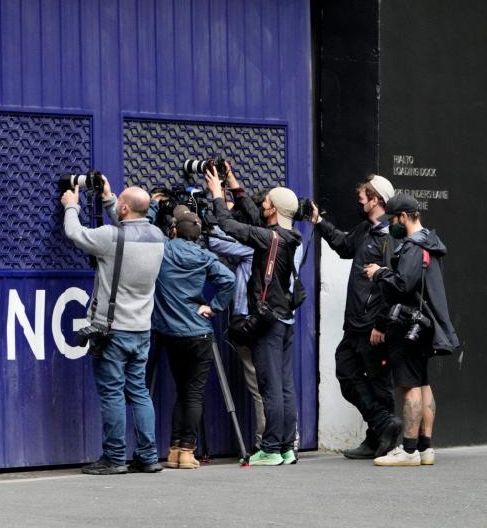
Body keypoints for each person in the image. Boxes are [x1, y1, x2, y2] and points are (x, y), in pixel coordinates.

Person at [61, 179, 166, 475]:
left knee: (112, 394)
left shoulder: (109, 236)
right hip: (141, 330)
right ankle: (148, 456)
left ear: (123, 208)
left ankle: (115, 457)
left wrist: (71, 205)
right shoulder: (158, 237)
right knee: (139, 393)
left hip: (111, 331)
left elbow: (75, 233)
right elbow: (127, 230)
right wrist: (110, 202)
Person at [205, 166, 302, 466]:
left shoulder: (267, 238)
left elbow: (228, 225)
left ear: (273, 209)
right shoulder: (286, 237)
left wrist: (217, 196)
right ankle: (286, 446)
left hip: (267, 322)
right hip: (284, 319)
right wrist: (235, 186)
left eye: (266, 201)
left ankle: (271, 448)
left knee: (270, 386)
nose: (262, 204)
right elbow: (253, 216)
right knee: (284, 387)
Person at [309, 176, 403, 459]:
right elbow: (344, 245)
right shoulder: (365, 229)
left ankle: (381, 440)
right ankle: (381, 426)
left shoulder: (390, 238)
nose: (359, 202)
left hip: (373, 326)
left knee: (379, 383)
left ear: (376, 200)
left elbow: (393, 286)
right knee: (346, 372)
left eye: (363, 198)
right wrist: (318, 222)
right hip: (355, 324)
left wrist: (381, 324)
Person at [365, 194, 460, 466]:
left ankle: (407, 450)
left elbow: (403, 284)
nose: (391, 225)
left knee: (409, 387)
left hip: (407, 326)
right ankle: (425, 448)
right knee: (423, 383)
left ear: (403, 217)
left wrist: (379, 273)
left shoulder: (411, 247)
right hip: (425, 326)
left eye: (393, 220)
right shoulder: (430, 242)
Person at [146, 206, 235, 469]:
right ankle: (186, 451)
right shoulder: (205, 256)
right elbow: (228, 280)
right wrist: (214, 306)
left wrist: (153, 205)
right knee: (193, 393)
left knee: (181, 391)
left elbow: (146, 228)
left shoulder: (163, 248)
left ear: (174, 230)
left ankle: (174, 450)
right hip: (199, 333)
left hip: (170, 334)